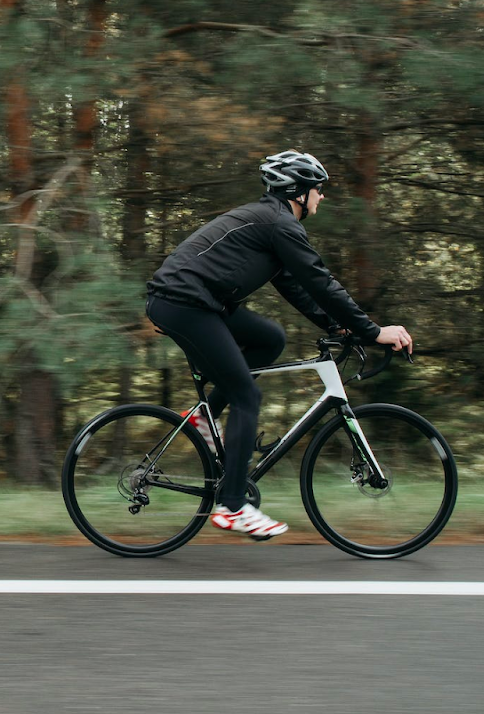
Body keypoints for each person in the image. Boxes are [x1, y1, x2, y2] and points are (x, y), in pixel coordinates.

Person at [145, 150, 413, 539]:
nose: (321, 197)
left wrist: (339, 327)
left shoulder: (274, 223)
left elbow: (298, 287)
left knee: (270, 339)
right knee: (247, 397)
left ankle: (204, 417)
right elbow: (320, 280)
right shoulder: (279, 224)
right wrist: (373, 331)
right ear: (299, 192)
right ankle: (234, 507)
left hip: (199, 302)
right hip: (182, 304)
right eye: (318, 190)